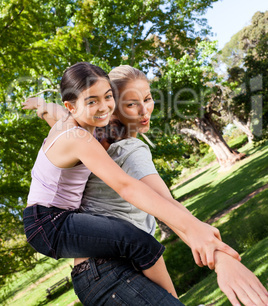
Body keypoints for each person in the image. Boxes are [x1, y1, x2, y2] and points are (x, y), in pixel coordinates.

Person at [23, 64, 268, 306]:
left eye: (108, 96)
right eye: (130, 104)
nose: (104, 107)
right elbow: (130, 188)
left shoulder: (80, 129)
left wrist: (38, 105)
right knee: (141, 242)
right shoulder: (90, 141)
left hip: (81, 260)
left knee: (139, 243)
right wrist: (205, 241)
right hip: (62, 234)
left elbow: (55, 112)